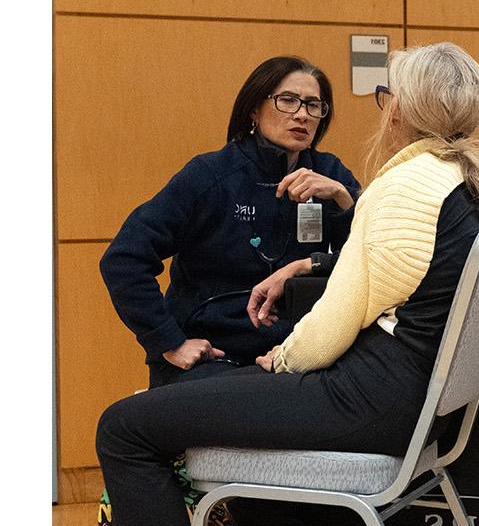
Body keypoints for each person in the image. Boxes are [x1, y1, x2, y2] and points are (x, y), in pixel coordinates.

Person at [91, 42, 479, 526]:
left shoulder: (400, 187)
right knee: (183, 401)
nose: (381, 106)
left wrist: (277, 362)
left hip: (362, 399)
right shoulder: (454, 180)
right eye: (289, 100)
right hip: (394, 397)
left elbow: (332, 325)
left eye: (384, 94)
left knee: (123, 427)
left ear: (403, 108)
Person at [101, 56, 361, 390]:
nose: (302, 114)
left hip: (293, 357)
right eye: (288, 100)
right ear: (254, 109)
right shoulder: (210, 175)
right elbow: (124, 258)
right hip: (215, 359)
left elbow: (367, 259)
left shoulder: (330, 174)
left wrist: (343, 198)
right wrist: (168, 341)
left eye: (313, 105)